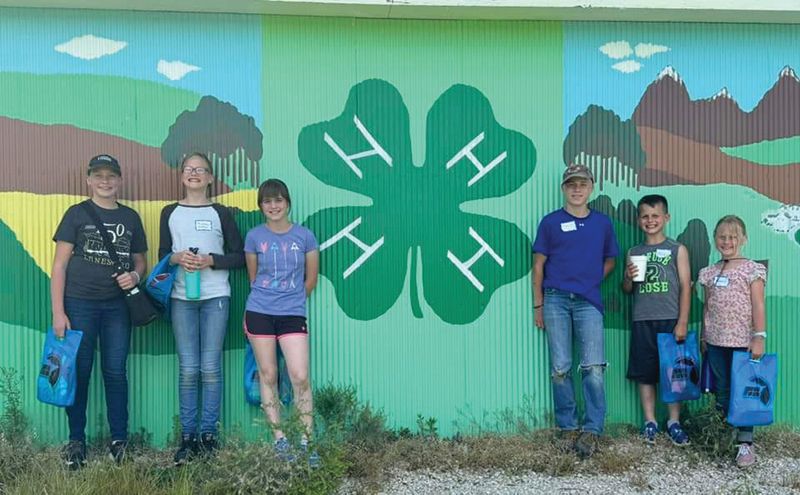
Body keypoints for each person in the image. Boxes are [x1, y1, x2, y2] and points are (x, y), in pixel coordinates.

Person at [51, 154, 148, 469]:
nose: (105, 181)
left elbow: (141, 262)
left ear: (119, 181)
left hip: (117, 307)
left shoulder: (131, 218)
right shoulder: (76, 214)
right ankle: (76, 441)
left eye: (111, 176)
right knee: (78, 372)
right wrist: (58, 312)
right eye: (99, 176)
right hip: (79, 304)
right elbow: (60, 265)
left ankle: (119, 440)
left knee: (116, 373)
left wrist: (134, 276)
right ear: (89, 180)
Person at [158, 153, 245, 466]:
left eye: (201, 170)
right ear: (182, 176)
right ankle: (187, 438)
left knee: (210, 368)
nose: (194, 173)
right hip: (181, 298)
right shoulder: (169, 212)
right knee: (188, 369)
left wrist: (211, 260)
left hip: (215, 297)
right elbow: (161, 256)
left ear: (210, 178)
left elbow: (240, 257)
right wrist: (177, 257)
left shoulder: (221, 212)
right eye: (189, 169)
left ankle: (209, 436)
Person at [532, 163, 619, 459]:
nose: (577, 189)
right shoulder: (550, 222)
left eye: (582, 184)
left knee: (593, 367)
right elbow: (538, 266)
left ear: (592, 187)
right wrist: (538, 304)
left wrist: (592, 280)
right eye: (571, 184)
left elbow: (610, 260)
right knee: (560, 368)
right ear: (563, 189)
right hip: (555, 300)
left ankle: (592, 429)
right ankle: (567, 427)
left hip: (589, 302)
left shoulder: (602, 223)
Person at [244, 179, 320, 466]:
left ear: (287, 202)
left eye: (278, 200)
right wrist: (268, 299)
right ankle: (280, 440)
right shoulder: (254, 236)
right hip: (260, 311)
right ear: (261, 206)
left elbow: (309, 279)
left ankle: (306, 441)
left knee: (300, 375)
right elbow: (254, 279)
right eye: (267, 201)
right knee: (268, 375)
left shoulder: (304, 236)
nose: (273, 206)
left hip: (292, 313)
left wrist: (291, 301)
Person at [621, 195, 691, 446]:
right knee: (645, 373)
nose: (650, 221)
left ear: (666, 218)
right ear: (639, 220)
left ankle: (673, 421)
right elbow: (627, 289)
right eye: (645, 216)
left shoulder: (677, 249)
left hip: (670, 320)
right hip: (642, 319)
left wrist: (682, 321)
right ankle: (649, 421)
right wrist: (628, 277)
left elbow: (686, 286)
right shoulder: (634, 251)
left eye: (655, 216)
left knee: (675, 374)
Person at [698, 215, 767, 468]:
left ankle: (746, 443)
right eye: (722, 237)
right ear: (715, 239)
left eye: (733, 237)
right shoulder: (709, 273)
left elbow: (758, 304)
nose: (727, 241)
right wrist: (705, 336)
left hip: (742, 342)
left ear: (743, 239)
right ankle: (724, 436)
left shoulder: (752, 269)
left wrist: (759, 336)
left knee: (744, 391)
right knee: (723, 390)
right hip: (716, 342)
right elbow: (707, 307)